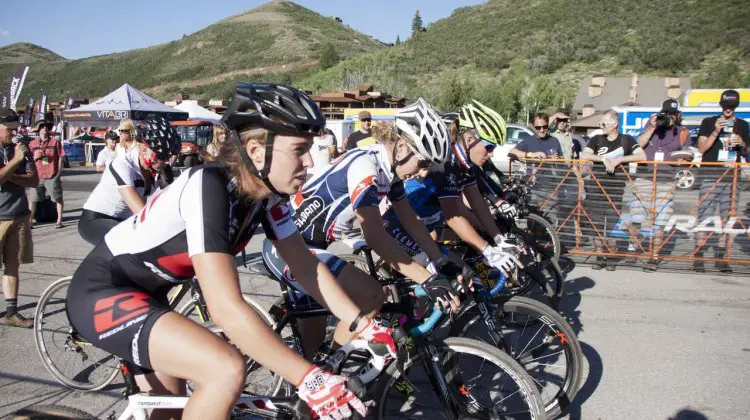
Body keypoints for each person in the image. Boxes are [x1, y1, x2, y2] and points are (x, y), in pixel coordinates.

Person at [66, 83, 389, 420]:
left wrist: (362, 324)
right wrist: (308, 379)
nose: (309, 161)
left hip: (149, 297)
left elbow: (306, 266)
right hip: (103, 293)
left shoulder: (267, 196)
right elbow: (225, 309)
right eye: (299, 149)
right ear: (256, 150)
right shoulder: (211, 188)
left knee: (170, 414)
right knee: (225, 369)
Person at [289, 99, 474, 357]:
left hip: (314, 245)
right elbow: (375, 235)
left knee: (317, 343)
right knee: (371, 296)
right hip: (289, 244)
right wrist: (427, 278)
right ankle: (328, 369)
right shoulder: (367, 167)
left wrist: (439, 260)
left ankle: (327, 364)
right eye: (422, 163)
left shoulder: (390, 172)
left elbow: (411, 221)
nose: (423, 174)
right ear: (402, 147)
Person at [382, 100, 521, 278]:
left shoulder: (464, 163)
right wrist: (488, 249)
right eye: (489, 147)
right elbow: (454, 216)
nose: (491, 154)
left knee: (465, 265)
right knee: (453, 275)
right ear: (470, 140)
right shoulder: (446, 164)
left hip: (427, 222)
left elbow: (476, 202)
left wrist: (498, 239)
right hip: (401, 224)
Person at [78, 117, 178, 246]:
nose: (166, 162)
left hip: (123, 221)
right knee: (130, 244)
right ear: (144, 149)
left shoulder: (159, 169)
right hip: (96, 219)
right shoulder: (123, 165)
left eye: (169, 157)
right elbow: (140, 212)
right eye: (162, 156)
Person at [694, 89, 750, 273]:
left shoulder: (742, 125)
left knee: (728, 217)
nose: (728, 110)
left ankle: (721, 256)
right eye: (726, 106)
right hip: (710, 174)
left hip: (732, 176)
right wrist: (716, 131)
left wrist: (741, 143)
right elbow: (702, 149)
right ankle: (699, 254)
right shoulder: (709, 122)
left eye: (732, 107)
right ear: (721, 105)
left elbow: (746, 153)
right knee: (705, 215)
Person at [582, 110, 645, 271]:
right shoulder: (596, 139)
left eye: (603, 123)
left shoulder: (626, 140)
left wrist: (619, 160)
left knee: (611, 225)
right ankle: (598, 255)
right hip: (596, 188)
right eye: (600, 124)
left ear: (615, 124)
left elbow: (641, 156)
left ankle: (611, 256)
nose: (601, 126)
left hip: (615, 189)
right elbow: (585, 155)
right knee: (596, 224)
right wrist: (604, 159)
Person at [632, 99, 690, 271]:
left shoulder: (682, 131)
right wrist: (651, 127)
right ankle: (634, 249)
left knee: (661, 220)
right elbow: (639, 144)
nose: (669, 118)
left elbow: (689, 153)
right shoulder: (652, 126)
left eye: (673, 114)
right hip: (644, 177)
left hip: (666, 179)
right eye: (667, 114)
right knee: (636, 216)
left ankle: (654, 255)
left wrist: (684, 158)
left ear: (677, 115)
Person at [0, 109, 38, 328]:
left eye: (16, 128)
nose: (14, 133)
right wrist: (15, 161)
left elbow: (34, 180)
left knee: (13, 264)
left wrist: (9, 176)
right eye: (9, 129)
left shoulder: (21, 148)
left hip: (19, 214)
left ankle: (12, 313)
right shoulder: (17, 153)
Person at [508, 113, 564, 224]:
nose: (542, 130)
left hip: (550, 187)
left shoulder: (554, 141)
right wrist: (531, 154)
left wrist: (557, 160)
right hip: (532, 187)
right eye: (538, 127)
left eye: (544, 126)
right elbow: (511, 152)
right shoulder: (529, 140)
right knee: (532, 220)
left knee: (550, 220)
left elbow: (562, 160)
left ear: (548, 125)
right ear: (534, 127)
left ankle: (550, 241)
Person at [28, 119, 65, 229]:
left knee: (58, 198)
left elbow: (60, 157)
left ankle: (59, 221)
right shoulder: (32, 144)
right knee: (33, 199)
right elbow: (28, 160)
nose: (44, 128)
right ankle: (30, 222)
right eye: (42, 126)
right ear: (38, 129)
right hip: (37, 175)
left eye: (46, 126)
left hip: (52, 175)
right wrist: (35, 157)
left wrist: (58, 173)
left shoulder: (55, 142)